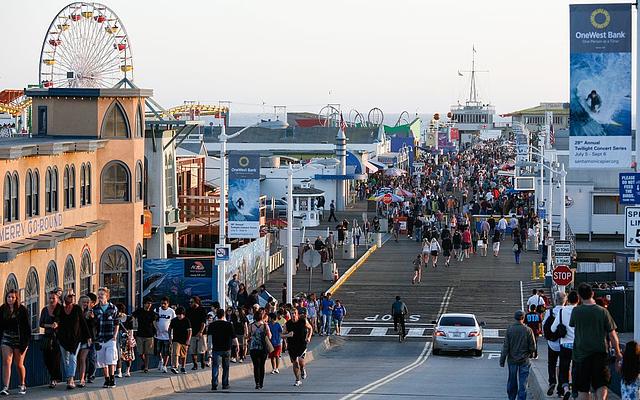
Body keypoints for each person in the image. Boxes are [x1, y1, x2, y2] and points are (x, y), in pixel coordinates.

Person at [569, 283, 622, 400]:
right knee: (601, 384)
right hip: (600, 354)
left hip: (581, 355)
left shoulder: (576, 312)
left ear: (579, 296)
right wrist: (617, 353)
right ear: (592, 293)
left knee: (583, 388)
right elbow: (612, 335)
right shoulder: (602, 311)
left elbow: (572, 325)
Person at [500, 310, 536, 400]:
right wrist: (531, 353)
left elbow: (506, 346)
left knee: (512, 381)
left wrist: (502, 360)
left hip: (512, 360)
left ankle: (511, 398)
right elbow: (533, 346)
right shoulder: (528, 330)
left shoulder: (510, 329)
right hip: (524, 360)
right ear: (523, 318)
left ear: (515, 318)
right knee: (523, 383)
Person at [57, 290, 90, 390]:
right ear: (64, 298)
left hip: (75, 338)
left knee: (72, 358)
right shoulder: (60, 309)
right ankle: (68, 377)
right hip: (63, 338)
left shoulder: (76, 309)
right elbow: (56, 320)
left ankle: (71, 379)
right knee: (65, 359)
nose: (72, 297)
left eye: (73, 295)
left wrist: (88, 336)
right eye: (70, 296)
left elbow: (83, 322)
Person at [0, 289, 30, 396]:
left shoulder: (22, 310)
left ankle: (22, 384)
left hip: (19, 339)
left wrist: (25, 343)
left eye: (13, 297)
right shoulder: (3, 309)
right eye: (8, 297)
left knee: (18, 364)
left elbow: (27, 328)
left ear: (16, 298)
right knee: (6, 362)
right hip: (6, 338)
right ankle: (5, 387)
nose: (10, 299)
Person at [552, 290, 578, 399]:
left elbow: (553, 328)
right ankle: (575, 390)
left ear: (568, 300)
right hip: (578, 345)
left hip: (565, 344)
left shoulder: (562, 311)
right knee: (577, 369)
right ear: (578, 300)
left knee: (564, 368)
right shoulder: (580, 311)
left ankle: (565, 388)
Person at [93, 287, 119, 388]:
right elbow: (94, 325)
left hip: (110, 337)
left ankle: (112, 378)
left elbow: (117, 323)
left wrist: (115, 336)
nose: (100, 296)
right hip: (100, 338)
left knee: (111, 359)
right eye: (98, 294)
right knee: (102, 360)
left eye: (102, 294)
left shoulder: (113, 308)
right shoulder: (95, 309)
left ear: (106, 296)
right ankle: (106, 379)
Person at [283, 307, 313, 387]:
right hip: (292, 345)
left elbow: (310, 328)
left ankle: (302, 369)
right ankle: (297, 379)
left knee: (300, 360)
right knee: (295, 362)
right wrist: (287, 335)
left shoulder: (303, 321)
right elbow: (281, 335)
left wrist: (309, 337)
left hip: (302, 344)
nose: (293, 315)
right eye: (292, 313)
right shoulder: (287, 324)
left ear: (297, 315)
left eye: (294, 314)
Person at [542, 291, 564, 397]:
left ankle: (552, 382)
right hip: (564, 342)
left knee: (552, 363)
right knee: (564, 365)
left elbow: (544, 325)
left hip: (552, 342)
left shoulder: (549, 312)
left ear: (555, 300)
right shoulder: (567, 311)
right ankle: (561, 388)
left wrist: (547, 337)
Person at [39, 289, 63, 388]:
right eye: (50, 298)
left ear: (57, 299)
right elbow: (41, 323)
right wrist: (50, 325)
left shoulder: (61, 309)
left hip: (58, 337)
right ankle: (54, 376)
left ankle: (53, 379)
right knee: (47, 359)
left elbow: (65, 322)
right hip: (47, 337)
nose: (51, 300)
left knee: (55, 359)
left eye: (53, 298)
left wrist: (58, 324)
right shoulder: (45, 310)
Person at [208, 308, 236, 391]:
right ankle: (225, 384)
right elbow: (234, 337)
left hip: (216, 348)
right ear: (224, 315)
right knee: (226, 367)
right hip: (227, 348)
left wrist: (209, 349)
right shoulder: (229, 324)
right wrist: (237, 345)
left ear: (217, 315)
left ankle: (214, 384)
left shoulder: (212, 325)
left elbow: (209, 339)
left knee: (215, 366)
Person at [248, 309, 272, 390]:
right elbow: (270, 336)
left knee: (256, 366)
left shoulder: (251, 326)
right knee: (262, 366)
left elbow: (248, 336)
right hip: (263, 348)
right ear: (261, 317)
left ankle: (257, 383)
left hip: (253, 348)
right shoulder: (265, 325)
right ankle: (261, 383)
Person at [132, 298, 157, 373]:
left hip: (149, 334)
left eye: (150, 303)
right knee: (140, 352)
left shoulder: (152, 313)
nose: (149, 305)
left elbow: (154, 322)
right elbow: (133, 316)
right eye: (148, 303)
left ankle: (146, 367)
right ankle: (144, 362)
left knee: (147, 352)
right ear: (144, 304)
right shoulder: (139, 311)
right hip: (140, 333)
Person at [76, 295, 95, 388]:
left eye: (87, 302)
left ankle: (82, 379)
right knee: (78, 360)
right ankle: (79, 377)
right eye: (84, 302)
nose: (85, 304)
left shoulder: (90, 313)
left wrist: (91, 318)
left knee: (83, 359)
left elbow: (92, 327)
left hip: (87, 338)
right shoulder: (76, 312)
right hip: (76, 339)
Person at [186, 296, 208, 370]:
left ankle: (202, 361)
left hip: (201, 332)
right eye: (189, 302)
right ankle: (195, 364)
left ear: (196, 302)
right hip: (192, 332)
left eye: (192, 302)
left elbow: (203, 322)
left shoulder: (202, 310)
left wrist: (201, 331)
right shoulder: (188, 310)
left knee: (201, 349)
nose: (190, 304)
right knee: (193, 349)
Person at [154, 296, 176, 373]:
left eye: (165, 303)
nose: (163, 305)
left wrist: (171, 333)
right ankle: (161, 360)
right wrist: (156, 329)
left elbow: (174, 322)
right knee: (157, 351)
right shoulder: (157, 310)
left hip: (167, 335)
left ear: (168, 304)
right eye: (162, 303)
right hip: (158, 334)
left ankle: (165, 366)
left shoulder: (171, 311)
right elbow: (154, 320)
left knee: (166, 352)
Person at [169, 307, 192, 374]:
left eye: (180, 314)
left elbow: (190, 331)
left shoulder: (186, 320)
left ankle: (183, 367)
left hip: (184, 340)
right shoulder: (174, 320)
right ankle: (175, 366)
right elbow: (170, 328)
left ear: (183, 314)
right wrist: (170, 337)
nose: (179, 316)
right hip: (176, 339)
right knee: (175, 353)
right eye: (178, 314)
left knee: (183, 355)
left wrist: (188, 340)